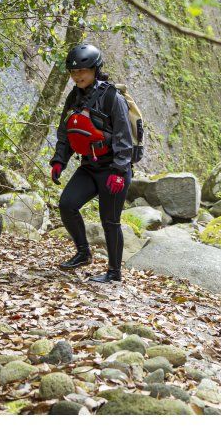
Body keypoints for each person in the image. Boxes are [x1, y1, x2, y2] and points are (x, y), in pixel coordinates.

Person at [50, 43, 133, 283]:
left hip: (113, 169)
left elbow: (123, 137)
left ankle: (114, 272)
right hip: (89, 165)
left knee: (109, 221)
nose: (77, 76)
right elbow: (66, 132)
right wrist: (59, 161)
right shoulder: (74, 96)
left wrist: (119, 171)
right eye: (73, 72)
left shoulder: (111, 97)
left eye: (82, 71)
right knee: (67, 204)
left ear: (95, 69)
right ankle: (84, 253)